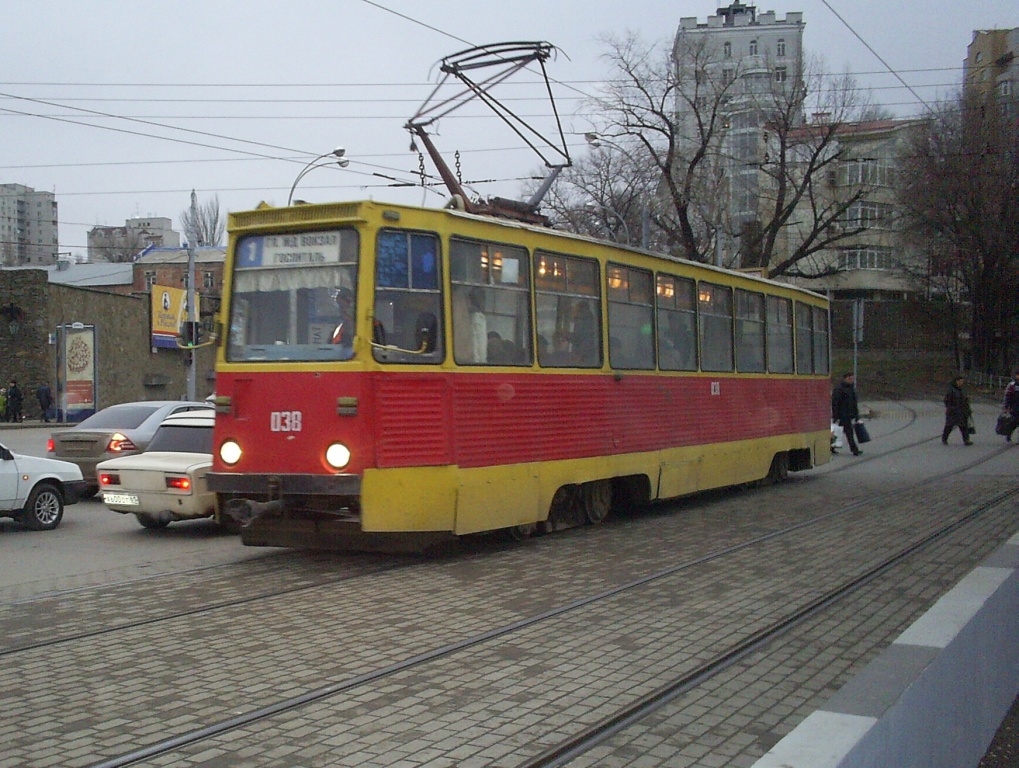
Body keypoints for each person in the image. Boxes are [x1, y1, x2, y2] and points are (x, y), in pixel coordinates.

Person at [831, 372, 862, 456]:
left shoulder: (851, 389)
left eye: (852, 378)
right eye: (849, 378)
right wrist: (835, 416)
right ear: (845, 379)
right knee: (847, 433)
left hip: (848, 415)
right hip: (842, 415)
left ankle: (831, 447)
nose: (851, 380)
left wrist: (856, 415)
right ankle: (854, 450)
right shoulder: (839, 389)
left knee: (839, 432)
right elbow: (835, 403)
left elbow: (854, 403)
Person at [942, 375, 973, 446]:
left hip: (962, 411)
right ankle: (944, 439)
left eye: (962, 381)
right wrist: (951, 408)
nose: (961, 383)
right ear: (956, 381)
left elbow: (965, 401)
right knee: (949, 426)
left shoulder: (962, 390)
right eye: (960, 381)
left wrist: (968, 410)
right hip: (953, 412)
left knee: (964, 426)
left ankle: (966, 440)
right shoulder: (951, 390)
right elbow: (947, 401)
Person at [1002, 369, 1019, 443]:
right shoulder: (1012, 384)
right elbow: (1007, 395)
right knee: (1013, 422)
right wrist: (1006, 406)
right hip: (1014, 407)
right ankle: (1008, 436)